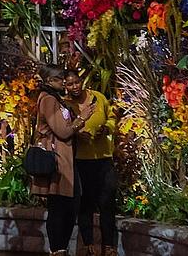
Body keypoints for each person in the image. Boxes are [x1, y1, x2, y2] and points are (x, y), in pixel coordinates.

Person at [30, 65, 93, 256]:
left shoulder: (56, 99)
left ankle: (60, 249)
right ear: (49, 81)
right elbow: (63, 131)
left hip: (65, 159)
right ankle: (57, 250)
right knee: (59, 208)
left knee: (68, 207)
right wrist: (82, 118)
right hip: (57, 162)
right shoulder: (48, 99)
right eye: (59, 79)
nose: (63, 82)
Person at [72, 70, 117, 256]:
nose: (74, 86)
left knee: (107, 202)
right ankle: (88, 245)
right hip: (82, 161)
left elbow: (113, 118)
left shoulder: (98, 98)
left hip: (104, 158)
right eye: (69, 84)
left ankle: (109, 247)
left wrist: (106, 128)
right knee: (85, 204)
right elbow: (62, 130)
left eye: (76, 82)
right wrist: (76, 134)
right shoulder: (67, 106)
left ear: (82, 81)